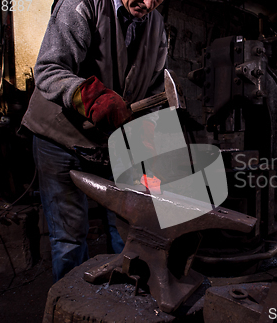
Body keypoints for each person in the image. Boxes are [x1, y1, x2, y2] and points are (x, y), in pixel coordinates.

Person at [20, 0, 167, 282]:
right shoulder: (81, 4)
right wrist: (91, 96)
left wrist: (149, 138)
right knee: (69, 239)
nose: (148, 3)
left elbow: (155, 90)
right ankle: (73, 307)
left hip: (113, 142)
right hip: (61, 138)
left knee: (128, 231)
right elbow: (48, 70)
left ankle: (122, 304)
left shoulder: (157, 24)